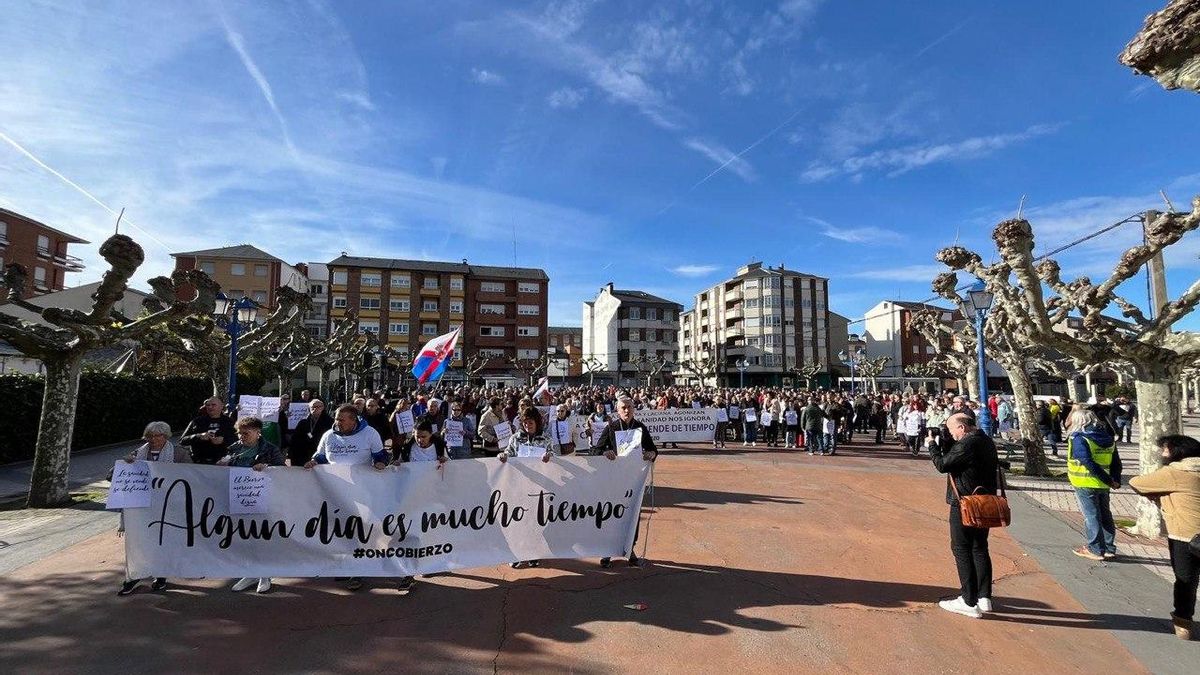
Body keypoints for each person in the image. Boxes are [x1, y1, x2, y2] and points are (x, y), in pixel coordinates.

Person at [304, 403, 389, 591]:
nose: (337, 422)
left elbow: (381, 455)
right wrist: (313, 462)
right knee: (340, 529)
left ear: (354, 420)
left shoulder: (370, 434)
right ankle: (344, 565)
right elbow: (320, 457)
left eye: (341, 420)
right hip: (335, 492)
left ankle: (358, 570)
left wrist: (381, 462)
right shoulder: (329, 435)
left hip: (362, 492)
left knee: (359, 530)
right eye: (336, 418)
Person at [1129, 435, 1200, 640]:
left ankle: (1183, 623)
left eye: (1165, 449)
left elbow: (1137, 483)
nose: (1162, 454)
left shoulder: (1175, 472)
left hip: (1185, 535)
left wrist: (1160, 494)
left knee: (1186, 580)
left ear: (1177, 452)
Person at [930, 413, 998, 618]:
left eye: (952, 430)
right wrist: (948, 442)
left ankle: (968, 601)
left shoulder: (968, 444)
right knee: (979, 547)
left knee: (961, 548)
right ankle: (984, 596)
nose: (951, 433)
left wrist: (932, 445)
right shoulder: (985, 440)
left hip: (964, 502)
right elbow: (956, 458)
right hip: (984, 501)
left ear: (962, 428)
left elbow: (943, 465)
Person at [117, 422, 190, 596]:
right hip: (142, 507)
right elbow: (113, 474)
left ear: (166, 437)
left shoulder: (179, 453)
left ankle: (161, 576)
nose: (154, 439)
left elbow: (191, 474)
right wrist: (126, 464)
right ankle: (134, 576)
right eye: (150, 436)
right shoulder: (138, 453)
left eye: (158, 436)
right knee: (140, 542)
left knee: (162, 540)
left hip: (167, 506)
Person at [218, 417, 286, 594]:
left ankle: (265, 574)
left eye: (246, 433)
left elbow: (283, 471)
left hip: (264, 499)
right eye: (240, 433)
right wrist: (221, 466)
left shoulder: (270, 449)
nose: (242, 436)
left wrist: (267, 467)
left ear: (258, 432)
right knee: (244, 536)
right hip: (239, 500)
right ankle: (250, 572)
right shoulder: (233, 449)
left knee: (262, 535)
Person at [591, 396, 658, 568]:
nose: (626, 410)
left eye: (629, 407)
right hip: (614, 481)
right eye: (623, 408)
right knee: (611, 514)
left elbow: (653, 449)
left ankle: (630, 549)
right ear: (617, 410)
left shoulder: (640, 428)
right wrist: (605, 453)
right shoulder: (612, 427)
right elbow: (596, 449)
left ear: (634, 408)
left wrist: (651, 454)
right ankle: (607, 551)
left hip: (633, 480)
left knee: (632, 514)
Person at [392, 418, 449, 592]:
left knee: (429, 531)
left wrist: (444, 461)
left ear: (430, 435)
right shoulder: (409, 447)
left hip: (432, 496)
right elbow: (399, 462)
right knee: (412, 531)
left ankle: (429, 563)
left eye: (423, 437)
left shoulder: (439, 446)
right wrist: (396, 463)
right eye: (417, 436)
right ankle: (410, 570)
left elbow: (449, 466)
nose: (420, 440)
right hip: (411, 496)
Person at [499, 407, 556, 569]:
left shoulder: (545, 439)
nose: (527, 426)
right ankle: (516, 554)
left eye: (530, 422)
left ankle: (532, 553)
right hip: (518, 486)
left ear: (536, 422)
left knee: (535, 523)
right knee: (516, 521)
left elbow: (555, 457)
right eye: (524, 423)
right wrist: (502, 456)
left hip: (539, 487)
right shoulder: (516, 438)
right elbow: (508, 453)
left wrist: (549, 457)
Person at [1064, 408, 1121, 561]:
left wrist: (1108, 480)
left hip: (1084, 481)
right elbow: (1116, 462)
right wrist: (1114, 480)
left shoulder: (1078, 438)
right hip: (1104, 484)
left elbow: (1086, 461)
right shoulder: (1108, 438)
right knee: (1105, 515)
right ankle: (1108, 547)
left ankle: (1095, 548)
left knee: (1091, 516)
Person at [179, 397, 236, 465]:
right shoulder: (197, 421)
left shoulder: (230, 422)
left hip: (222, 462)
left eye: (213, 405)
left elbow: (238, 440)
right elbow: (182, 441)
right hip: (198, 462)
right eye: (208, 405)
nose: (210, 407)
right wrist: (198, 436)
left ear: (221, 406)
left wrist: (223, 440)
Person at [288, 399, 333, 467]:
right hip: (303, 457)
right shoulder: (303, 423)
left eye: (318, 406)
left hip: (319, 457)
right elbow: (295, 441)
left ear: (323, 407)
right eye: (313, 407)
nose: (315, 409)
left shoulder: (330, 422)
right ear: (309, 409)